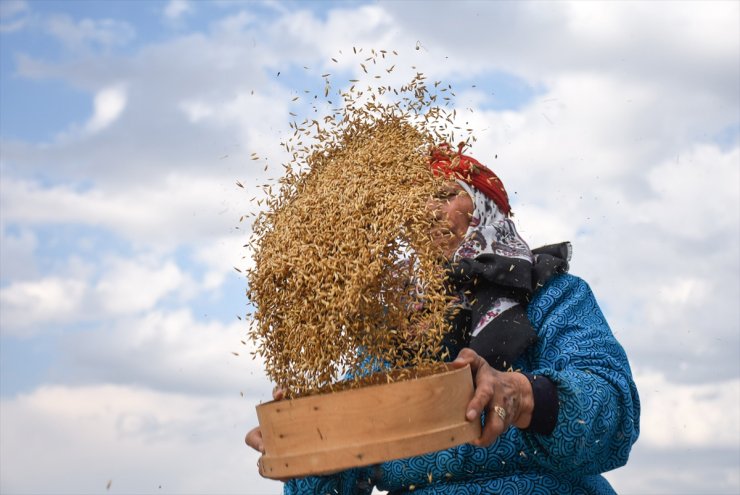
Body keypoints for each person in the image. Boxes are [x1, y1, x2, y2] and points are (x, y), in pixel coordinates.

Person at [246, 144, 640, 494]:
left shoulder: (553, 295)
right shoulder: (396, 328)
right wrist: (309, 448)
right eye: (414, 203)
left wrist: (519, 394)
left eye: (444, 195)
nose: (427, 212)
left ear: (486, 209)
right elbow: (352, 469)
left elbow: (614, 411)